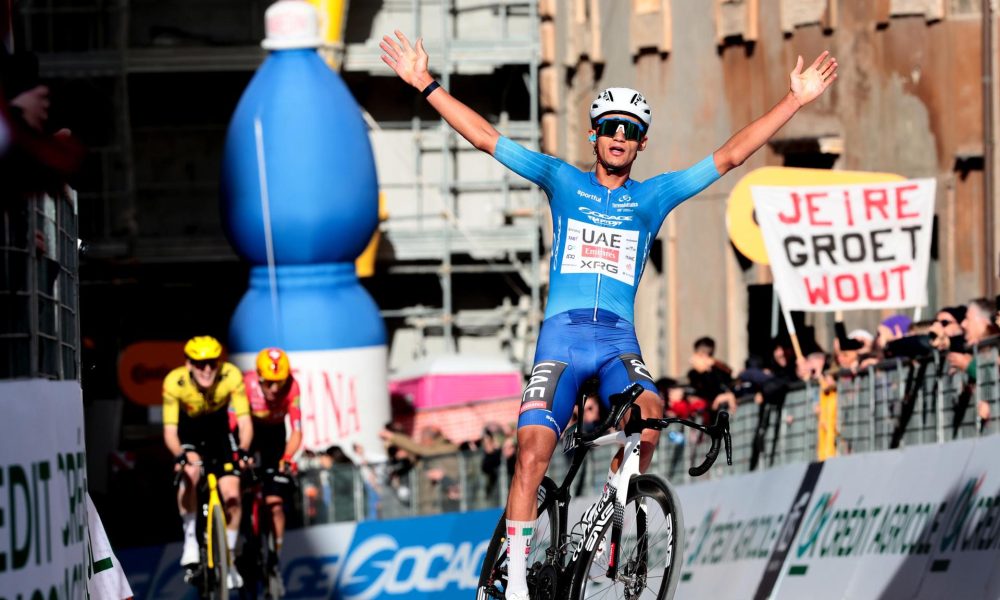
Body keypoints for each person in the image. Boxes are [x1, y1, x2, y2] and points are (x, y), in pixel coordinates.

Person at [379, 29, 837, 600]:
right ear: (594, 135)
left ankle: (615, 516)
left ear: (641, 144)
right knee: (532, 452)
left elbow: (730, 155)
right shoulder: (562, 180)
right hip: (562, 342)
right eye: (611, 127)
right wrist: (424, 82)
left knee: (651, 414)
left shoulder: (652, 196)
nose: (620, 136)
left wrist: (793, 100)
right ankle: (515, 583)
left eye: (632, 130)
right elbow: (486, 138)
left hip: (618, 340)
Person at [162, 335, 253, 589]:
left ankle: (229, 559)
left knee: (233, 495)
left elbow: (245, 421)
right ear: (189, 364)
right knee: (190, 474)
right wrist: (179, 455)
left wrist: (244, 450)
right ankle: (191, 539)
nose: (207, 369)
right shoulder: (175, 382)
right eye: (200, 363)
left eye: (212, 362)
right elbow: (170, 431)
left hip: (219, 434)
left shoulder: (231, 375)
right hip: (189, 434)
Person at [237, 347, 302, 579]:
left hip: (274, 437)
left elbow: (296, 430)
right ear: (258, 377)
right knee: (235, 489)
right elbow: (235, 423)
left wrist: (287, 458)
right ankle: (239, 539)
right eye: (269, 383)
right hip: (248, 432)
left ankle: (275, 556)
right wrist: (239, 453)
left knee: (275, 504)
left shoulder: (292, 387)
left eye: (280, 383)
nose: (275, 389)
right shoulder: (245, 384)